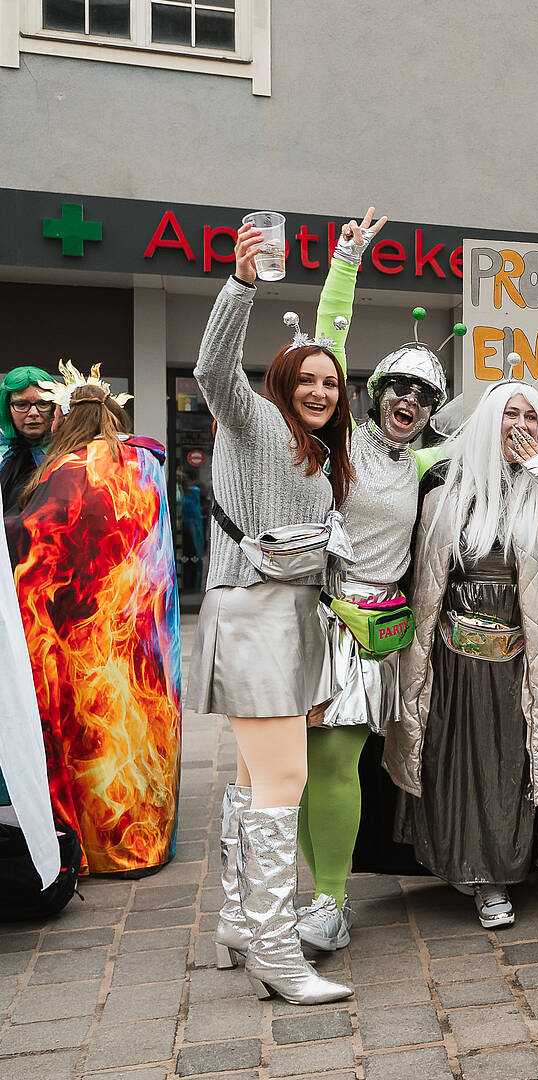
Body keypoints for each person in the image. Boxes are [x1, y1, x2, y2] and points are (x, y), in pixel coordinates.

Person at [190, 222, 354, 1005]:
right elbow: (213, 366)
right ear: (283, 383)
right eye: (307, 380)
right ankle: (277, 953)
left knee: (256, 775)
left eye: (330, 382)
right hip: (251, 615)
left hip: (292, 623)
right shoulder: (251, 422)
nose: (320, 391)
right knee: (284, 779)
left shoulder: (320, 462)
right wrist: (242, 286)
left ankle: (235, 921)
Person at [388, 380, 538, 930]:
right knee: (457, 767)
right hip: (453, 662)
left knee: (510, 766)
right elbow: (422, 572)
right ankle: (468, 868)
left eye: (532, 417)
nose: (522, 426)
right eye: (510, 414)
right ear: (487, 421)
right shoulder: (444, 485)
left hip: (521, 662)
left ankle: (498, 877)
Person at [295, 209, 451, 954]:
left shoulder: (423, 464)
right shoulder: (340, 440)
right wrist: (348, 262)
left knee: (335, 758)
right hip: (307, 614)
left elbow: (493, 447)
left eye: (422, 398)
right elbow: (326, 346)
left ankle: (329, 900)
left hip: (370, 631)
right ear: (375, 390)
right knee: (295, 762)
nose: (408, 403)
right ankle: (313, 884)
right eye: (397, 388)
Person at [8, 373, 180, 878]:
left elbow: (31, 536)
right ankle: (148, 843)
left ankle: (103, 850)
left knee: (95, 737)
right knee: (143, 735)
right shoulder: (145, 460)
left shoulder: (66, 468)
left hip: (87, 633)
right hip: (146, 631)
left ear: (65, 417)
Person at [1, 366, 58, 516]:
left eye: (43, 403)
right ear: (7, 408)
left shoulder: (69, 456)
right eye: (21, 405)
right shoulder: (2, 455)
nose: (34, 413)